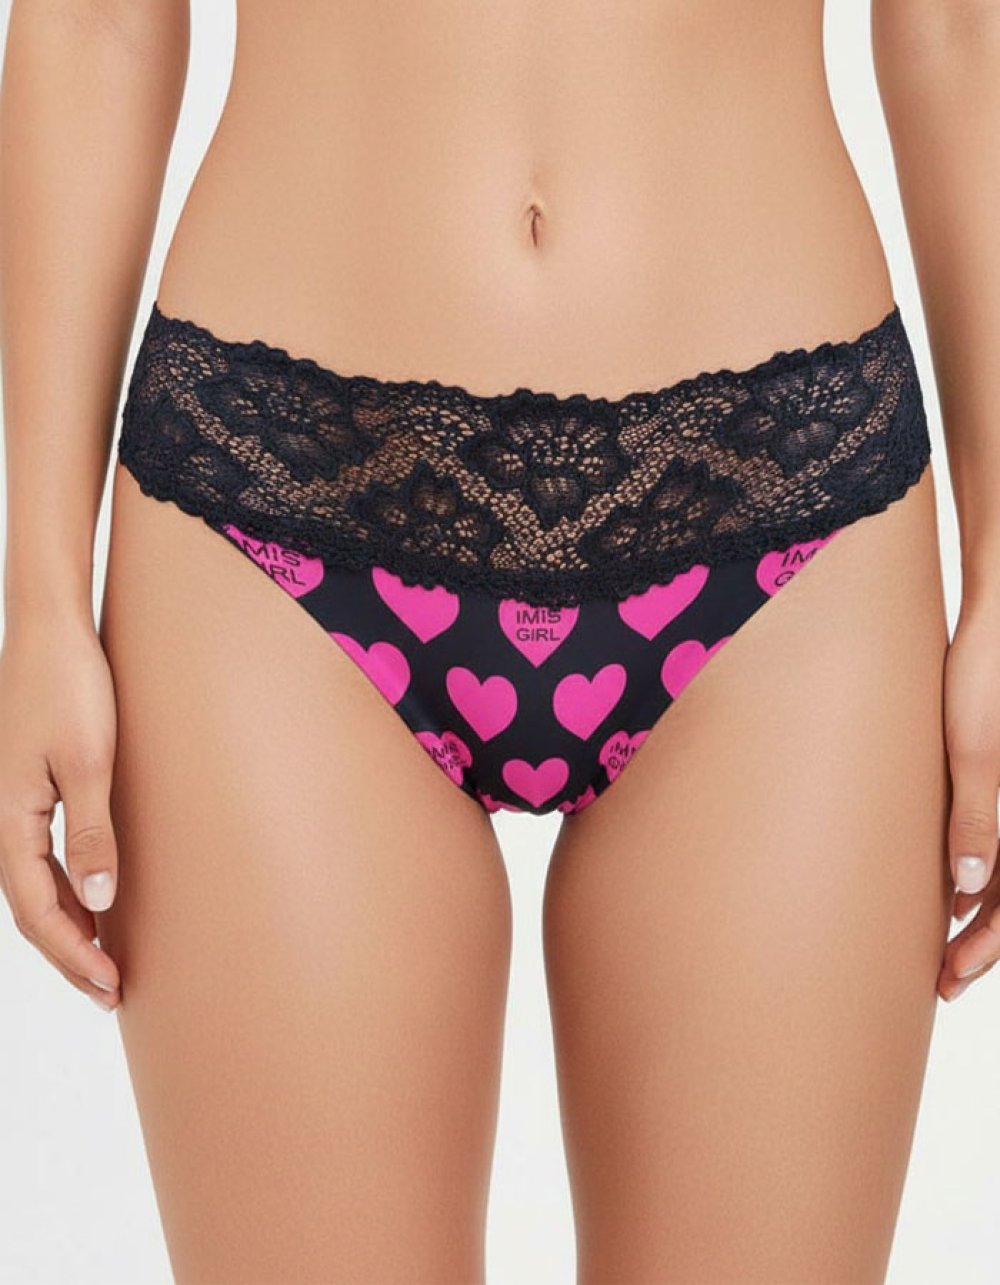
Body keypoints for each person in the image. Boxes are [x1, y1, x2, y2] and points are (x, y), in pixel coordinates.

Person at [0, 1, 997, 1280]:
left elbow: (959, 26)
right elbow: (96, 22)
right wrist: (38, 596)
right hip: (272, 498)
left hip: (788, 499)